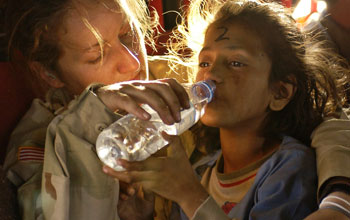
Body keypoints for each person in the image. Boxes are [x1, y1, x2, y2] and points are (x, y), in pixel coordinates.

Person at [102, 0, 350, 219]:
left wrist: (190, 196)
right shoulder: (202, 169)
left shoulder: (289, 167)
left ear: (280, 93)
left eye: (235, 63)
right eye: (205, 62)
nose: (211, 75)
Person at [2, 0, 192, 219]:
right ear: (49, 74)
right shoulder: (39, 142)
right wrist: (91, 118)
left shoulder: (186, 78)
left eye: (128, 35)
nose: (133, 63)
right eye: (97, 56)